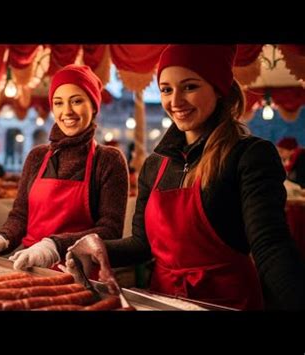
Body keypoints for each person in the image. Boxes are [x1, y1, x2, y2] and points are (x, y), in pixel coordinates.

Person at [62, 45, 305, 310]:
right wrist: (96, 247)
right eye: (166, 89)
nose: (175, 101)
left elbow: (270, 245)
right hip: (163, 301)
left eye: (189, 87)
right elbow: (142, 244)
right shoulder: (155, 165)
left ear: (218, 88)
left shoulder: (250, 155)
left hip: (229, 302)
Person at [0, 64, 129, 271]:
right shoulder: (37, 156)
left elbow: (111, 230)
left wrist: (53, 246)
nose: (66, 111)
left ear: (94, 106)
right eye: (58, 103)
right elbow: (20, 215)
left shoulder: (108, 160)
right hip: (28, 265)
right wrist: (3, 237)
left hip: (80, 273)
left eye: (77, 101)